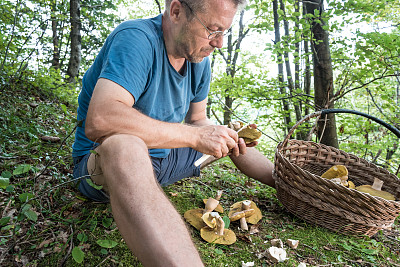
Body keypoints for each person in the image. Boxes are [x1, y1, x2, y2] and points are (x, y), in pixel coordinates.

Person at [72, 0, 274, 265]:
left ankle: (287, 185)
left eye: (224, 32)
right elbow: (100, 119)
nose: (219, 43)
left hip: (164, 163)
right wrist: (194, 136)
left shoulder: (198, 58)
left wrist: (219, 134)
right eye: (213, 30)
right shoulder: (136, 39)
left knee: (229, 133)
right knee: (125, 145)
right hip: (104, 168)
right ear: (176, 11)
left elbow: (199, 120)